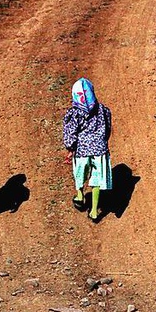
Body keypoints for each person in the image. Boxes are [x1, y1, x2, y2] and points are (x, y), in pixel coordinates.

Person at [63, 78, 112, 223]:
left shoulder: (74, 113)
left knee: (80, 173)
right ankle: (94, 211)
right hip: (99, 150)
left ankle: (80, 196)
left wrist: (70, 148)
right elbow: (108, 128)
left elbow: (70, 132)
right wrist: (103, 141)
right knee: (97, 180)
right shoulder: (103, 110)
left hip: (82, 152)